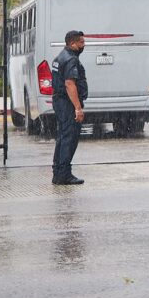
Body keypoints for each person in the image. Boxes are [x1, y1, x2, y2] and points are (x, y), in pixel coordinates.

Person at [51, 30, 88, 185]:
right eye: (81, 42)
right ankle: (64, 174)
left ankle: (58, 172)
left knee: (62, 137)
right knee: (69, 138)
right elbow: (69, 84)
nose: (83, 45)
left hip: (60, 101)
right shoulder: (70, 59)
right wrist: (78, 108)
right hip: (67, 103)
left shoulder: (60, 57)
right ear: (72, 43)